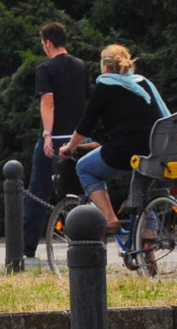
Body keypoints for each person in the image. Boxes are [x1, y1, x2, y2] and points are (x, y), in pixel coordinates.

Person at [60, 44, 169, 233]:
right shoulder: (143, 83)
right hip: (154, 149)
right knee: (143, 196)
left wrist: (69, 147)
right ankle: (148, 251)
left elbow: (86, 125)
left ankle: (110, 219)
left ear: (106, 66)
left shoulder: (106, 85)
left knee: (83, 167)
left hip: (124, 152)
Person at [22, 22, 87, 262]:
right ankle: (85, 239)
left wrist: (47, 134)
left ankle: (27, 248)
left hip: (56, 138)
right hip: (79, 138)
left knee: (38, 191)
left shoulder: (45, 69)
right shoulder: (81, 66)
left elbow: (48, 102)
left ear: (48, 43)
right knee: (79, 191)